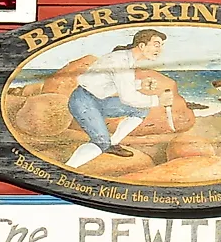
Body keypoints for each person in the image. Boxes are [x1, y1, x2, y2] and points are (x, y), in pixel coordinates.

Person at [66, 29, 168, 169]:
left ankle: (113, 143)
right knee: (101, 142)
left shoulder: (127, 58)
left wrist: (139, 84)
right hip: (83, 101)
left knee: (141, 110)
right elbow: (127, 97)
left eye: (161, 45)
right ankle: (68, 168)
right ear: (142, 46)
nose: (160, 49)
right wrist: (158, 100)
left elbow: (112, 83)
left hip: (99, 100)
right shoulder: (120, 61)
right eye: (156, 44)